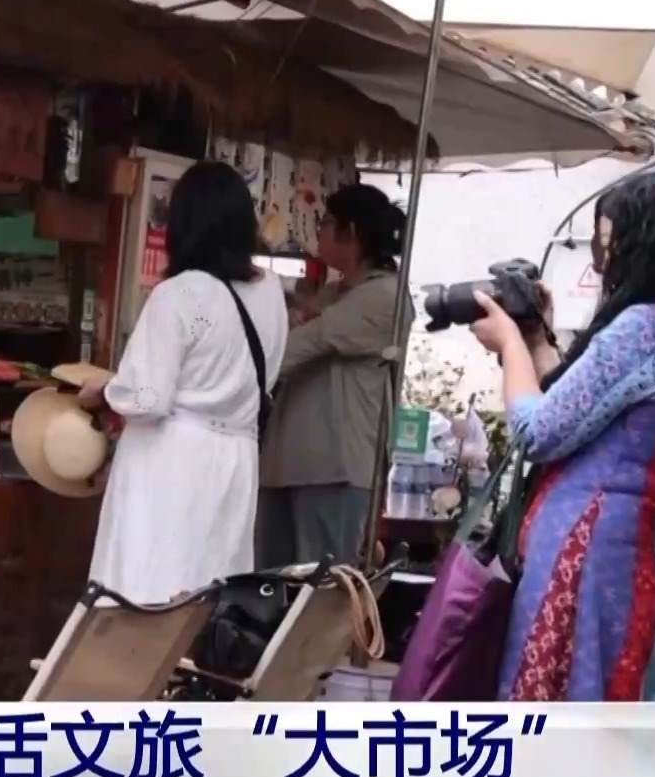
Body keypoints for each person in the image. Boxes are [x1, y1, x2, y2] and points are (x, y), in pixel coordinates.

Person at [470, 171, 655, 701]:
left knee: (567, 733)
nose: (604, 262)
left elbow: (537, 432)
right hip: (645, 572)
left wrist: (509, 344)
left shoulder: (642, 328)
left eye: (609, 244)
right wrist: (538, 339)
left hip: (587, 574)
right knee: (623, 730)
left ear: (647, 245)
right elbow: (584, 408)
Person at [78, 162, 289, 603]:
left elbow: (149, 399)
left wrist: (106, 392)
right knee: (212, 585)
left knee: (150, 584)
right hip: (237, 456)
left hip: (172, 458)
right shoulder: (269, 290)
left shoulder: (179, 294)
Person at [258, 184, 411, 569]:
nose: (319, 233)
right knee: (271, 585)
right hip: (290, 461)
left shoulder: (384, 296)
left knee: (321, 589)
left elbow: (297, 346)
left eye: (325, 223)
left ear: (351, 231)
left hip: (335, 467)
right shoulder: (335, 293)